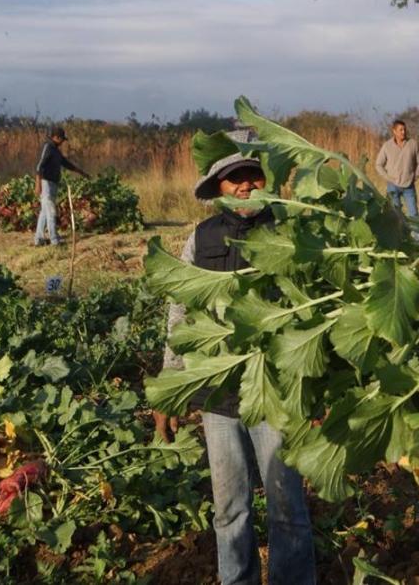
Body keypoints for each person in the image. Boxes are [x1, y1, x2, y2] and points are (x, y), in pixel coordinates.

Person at [153, 147, 316, 585]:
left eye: (253, 175)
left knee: (287, 510)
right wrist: (172, 381)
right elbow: (181, 311)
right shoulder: (202, 237)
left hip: (275, 392)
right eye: (233, 178)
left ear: (268, 180)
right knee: (229, 510)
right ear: (218, 188)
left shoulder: (293, 233)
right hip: (218, 394)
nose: (245, 185)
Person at [33, 126, 89, 246]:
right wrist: (38, 185)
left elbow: (65, 163)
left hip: (53, 184)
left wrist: (80, 171)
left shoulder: (55, 150)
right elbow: (39, 166)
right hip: (46, 183)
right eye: (62, 139)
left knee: (44, 212)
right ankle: (54, 241)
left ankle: (39, 239)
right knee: (51, 211)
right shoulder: (48, 147)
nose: (63, 141)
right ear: (56, 137)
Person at [375, 118, 419, 216]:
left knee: (414, 214)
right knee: (395, 216)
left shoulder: (413, 144)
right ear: (394, 131)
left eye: (404, 129)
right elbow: (378, 164)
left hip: (409, 185)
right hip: (393, 186)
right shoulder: (387, 146)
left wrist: (416, 176)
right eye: (400, 130)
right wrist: (388, 178)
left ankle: (416, 232)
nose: (403, 132)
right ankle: (400, 231)